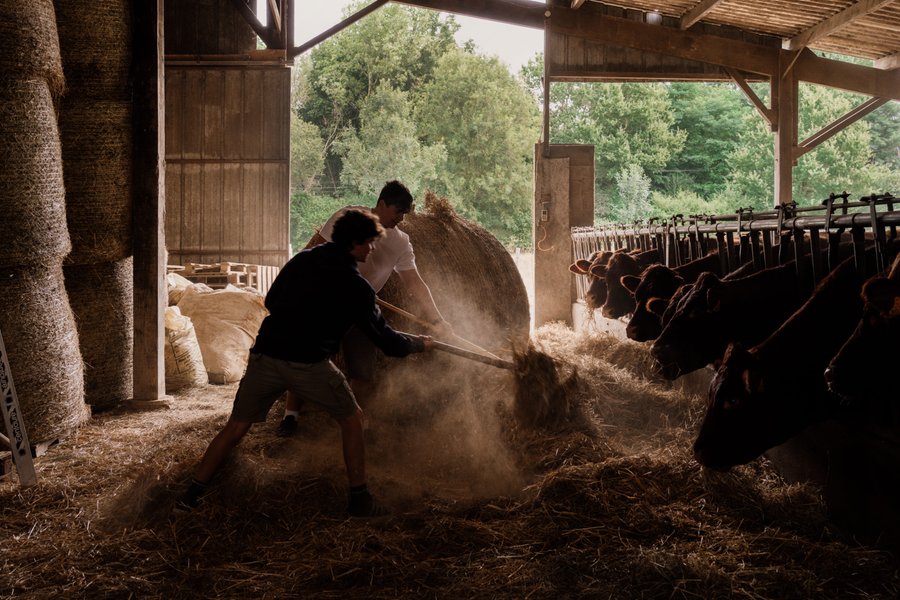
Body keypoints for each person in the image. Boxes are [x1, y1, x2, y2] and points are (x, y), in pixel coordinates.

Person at [176, 209, 433, 517]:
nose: (372, 249)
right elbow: (386, 341)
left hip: (266, 357)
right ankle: (360, 499)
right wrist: (419, 344)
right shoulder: (356, 287)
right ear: (353, 243)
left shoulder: (302, 261)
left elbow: (270, 301)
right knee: (352, 419)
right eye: (368, 243)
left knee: (236, 427)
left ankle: (190, 494)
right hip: (308, 365)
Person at [277, 180, 452, 436]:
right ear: (381, 204)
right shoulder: (347, 217)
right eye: (397, 212)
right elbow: (318, 252)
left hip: (362, 309)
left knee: (363, 369)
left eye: (404, 214)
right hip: (326, 303)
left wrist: (438, 319)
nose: (401, 219)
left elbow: (414, 281)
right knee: (309, 357)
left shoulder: (401, 242)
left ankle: (356, 421)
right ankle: (290, 416)